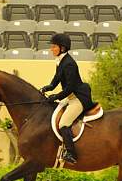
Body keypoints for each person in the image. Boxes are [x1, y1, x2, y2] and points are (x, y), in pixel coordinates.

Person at [40, 34, 95, 164]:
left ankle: (71, 154)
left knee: (63, 123)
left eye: (54, 47)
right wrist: (48, 88)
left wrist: (56, 96)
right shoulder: (61, 60)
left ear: (62, 48)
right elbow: (56, 79)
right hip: (70, 96)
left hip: (77, 97)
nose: (51, 49)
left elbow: (70, 87)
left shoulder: (69, 64)